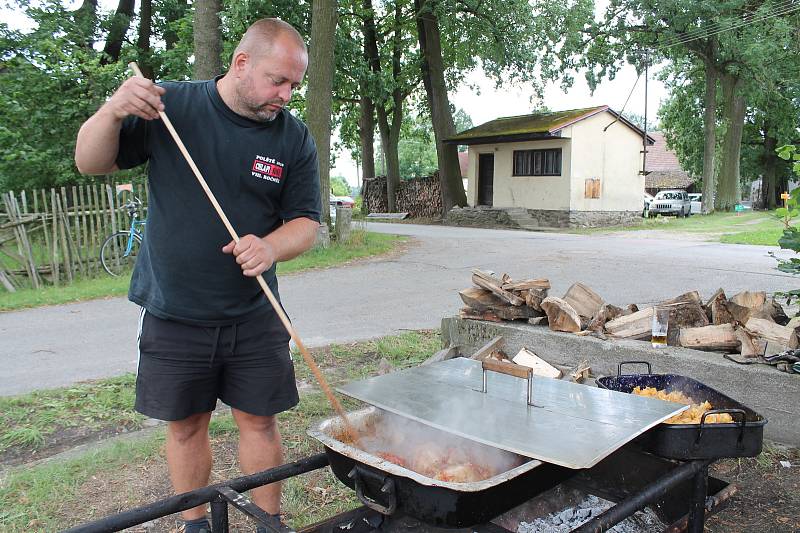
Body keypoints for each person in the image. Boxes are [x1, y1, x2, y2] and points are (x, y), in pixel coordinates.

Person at [75, 18, 321, 533]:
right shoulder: (172, 108)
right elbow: (90, 162)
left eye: (295, 84)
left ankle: (268, 521)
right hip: (174, 310)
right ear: (241, 63)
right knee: (186, 426)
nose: (287, 94)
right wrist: (113, 109)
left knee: (259, 419)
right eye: (279, 80)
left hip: (255, 312)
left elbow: (306, 224)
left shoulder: (293, 138)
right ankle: (195, 523)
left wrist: (269, 246)